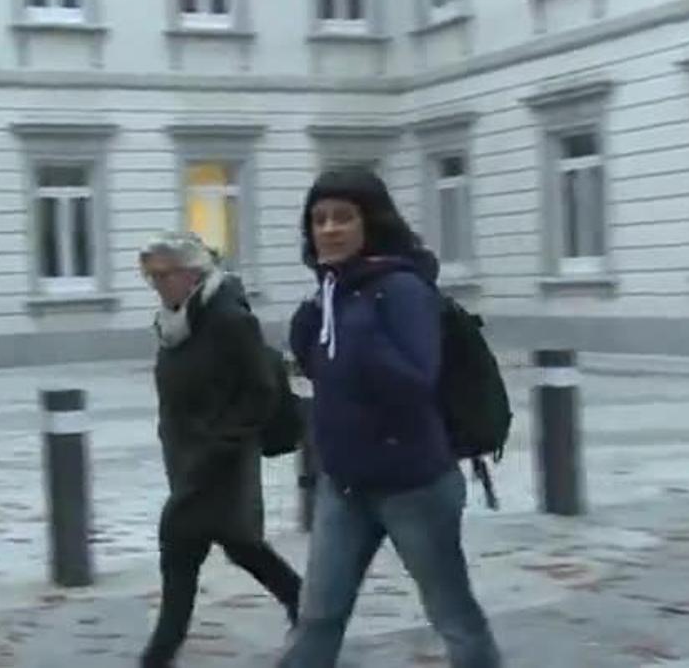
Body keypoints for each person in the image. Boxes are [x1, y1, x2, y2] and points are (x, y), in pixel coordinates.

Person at [278, 168, 500, 667]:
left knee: (451, 613)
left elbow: (413, 380)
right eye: (319, 220)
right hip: (344, 484)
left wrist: (358, 327)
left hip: (413, 485)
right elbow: (328, 379)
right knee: (317, 616)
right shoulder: (330, 294)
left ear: (369, 223)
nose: (329, 229)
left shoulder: (402, 289)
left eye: (343, 217)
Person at [138, 231, 302, 668]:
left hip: (221, 460)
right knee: (240, 545)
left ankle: (158, 655)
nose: (156, 283)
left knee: (179, 543)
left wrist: (221, 442)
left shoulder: (228, 318)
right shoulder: (174, 321)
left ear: (192, 273)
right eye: (149, 275)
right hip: (188, 456)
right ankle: (305, 607)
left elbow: (261, 391)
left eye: (163, 274)